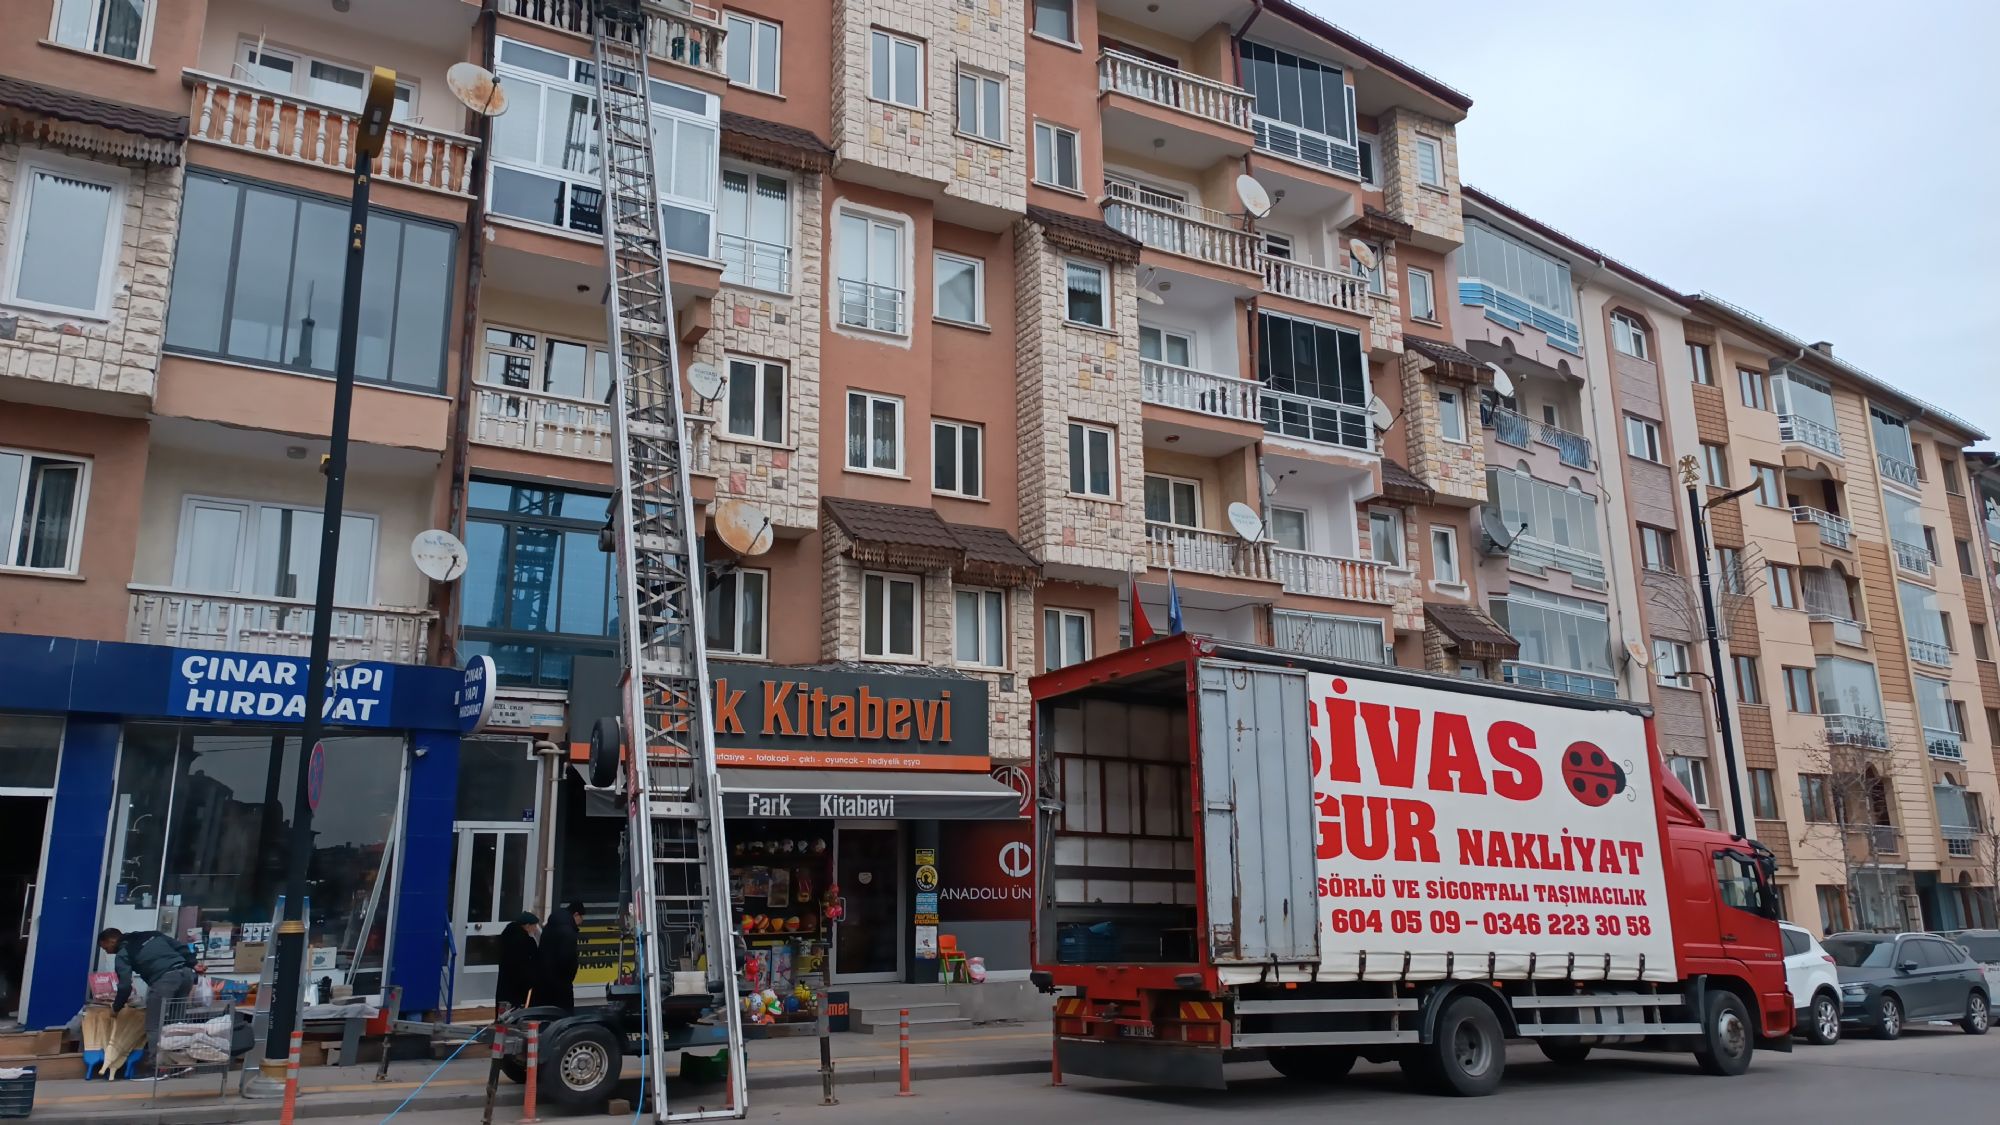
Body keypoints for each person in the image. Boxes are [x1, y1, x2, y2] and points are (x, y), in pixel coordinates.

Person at [97, 928, 195, 1074]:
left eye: (105, 948)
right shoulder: (151, 934)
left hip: (165, 980)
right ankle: (181, 1061)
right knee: (177, 1023)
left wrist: (116, 1008)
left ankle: (159, 1066)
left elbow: (125, 986)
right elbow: (180, 947)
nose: (107, 952)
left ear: (111, 940)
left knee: (154, 1025)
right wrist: (193, 963)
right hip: (186, 975)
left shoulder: (123, 953)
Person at [536, 902, 585, 1012]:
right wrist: (569, 978)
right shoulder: (568, 932)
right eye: (581, 917)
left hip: (544, 981)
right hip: (561, 984)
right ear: (576, 914)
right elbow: (567, 959)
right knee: (563, 1015)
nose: (582, 921)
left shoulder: (550, 926)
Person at [495, 912, 540, 1012]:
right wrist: (532, 981)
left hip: (505, 980)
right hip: (519, 984)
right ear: (527, 925)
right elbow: (531, 963)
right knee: (517, 1010)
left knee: (504, 1007)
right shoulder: (527, 941)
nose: (536, 929)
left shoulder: (506, 936)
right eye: (534, 925)